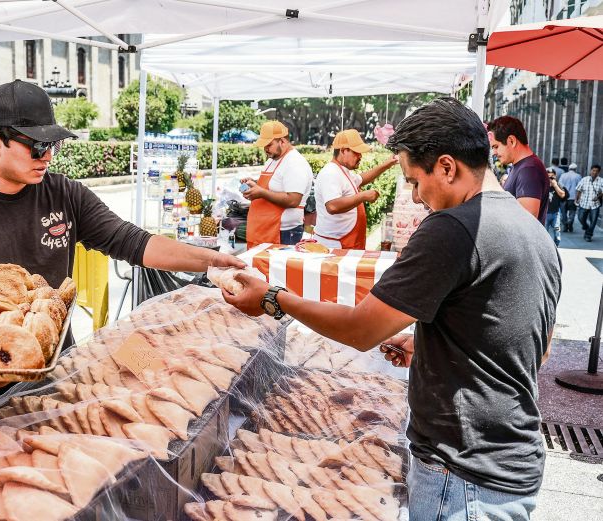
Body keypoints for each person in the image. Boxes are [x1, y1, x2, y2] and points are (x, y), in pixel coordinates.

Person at [222, 97, 560, 521]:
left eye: (415, 181)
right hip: (514, 461)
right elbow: (534, 347)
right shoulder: (534, 232)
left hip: (462, 472)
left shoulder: (453, 229)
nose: (417, 198)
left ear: (447, 167)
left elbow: (361, 330)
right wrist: (434, 345)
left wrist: (272, 298)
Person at [0, 79, 245, 405]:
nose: (47, 155)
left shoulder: (64, 193)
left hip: (53, 364)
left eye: (53, 144)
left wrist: (213, 263)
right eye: (37, 146)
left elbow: (131, 241)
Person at [312, 129, 399, 249]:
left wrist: (387, 164)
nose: (360, 156)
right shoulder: (330, 173)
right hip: (335, 245)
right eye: (356, 152)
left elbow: (361, 179)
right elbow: (332, 206)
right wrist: (363, 196)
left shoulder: (343, 171)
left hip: (346, 241)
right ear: (343, 150)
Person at [242, 121, 313, 247]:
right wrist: (254, 184)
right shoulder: (273, 159)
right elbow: (274, 185)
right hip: (264, 230)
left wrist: (261, 192)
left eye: (269, 145)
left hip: (283, 233)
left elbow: (293, 200)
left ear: (283, 142)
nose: (265, 149)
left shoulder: (295, 163)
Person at [487, 116, 549, 221]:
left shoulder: (529, 170)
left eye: (496, 146)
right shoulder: (523, 167)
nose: (494, 153)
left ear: (511, 141)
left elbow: (526, 223)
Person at [575, 164, 603, 242]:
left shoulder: (601, 181)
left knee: (593, 221)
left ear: (599, 172)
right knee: (580, 218)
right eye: (593, 170)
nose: (594, 172)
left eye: (596, 171)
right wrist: (576, 198)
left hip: (595, 205)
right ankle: (586, 227)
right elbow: (578, 189)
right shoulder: (584, 179)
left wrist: (598, 197)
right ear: (590, 170)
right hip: (584, 203)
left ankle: (588, 235)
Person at [545, 168, 568, 246]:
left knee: (557, 229)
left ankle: (556, 245)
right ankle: (546, 246)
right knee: (544, 231)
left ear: (555, 176)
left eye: (552, 177)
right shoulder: (542, 185)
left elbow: (562, 195)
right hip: (545, 213)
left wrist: (555, 186)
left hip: (556, 212)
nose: (550, 179)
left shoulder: (559, 185)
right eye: (549, 177)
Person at [558, 162, 582, 232]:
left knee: (563, 213)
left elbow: (559, 185)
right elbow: (580, 188)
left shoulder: (563, 175)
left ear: (569, 168)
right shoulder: (578, 176)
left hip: (564, 197)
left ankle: (565, 225)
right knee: (572, 212)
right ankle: (570, 223)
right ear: (575, 169)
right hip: (573, 197)